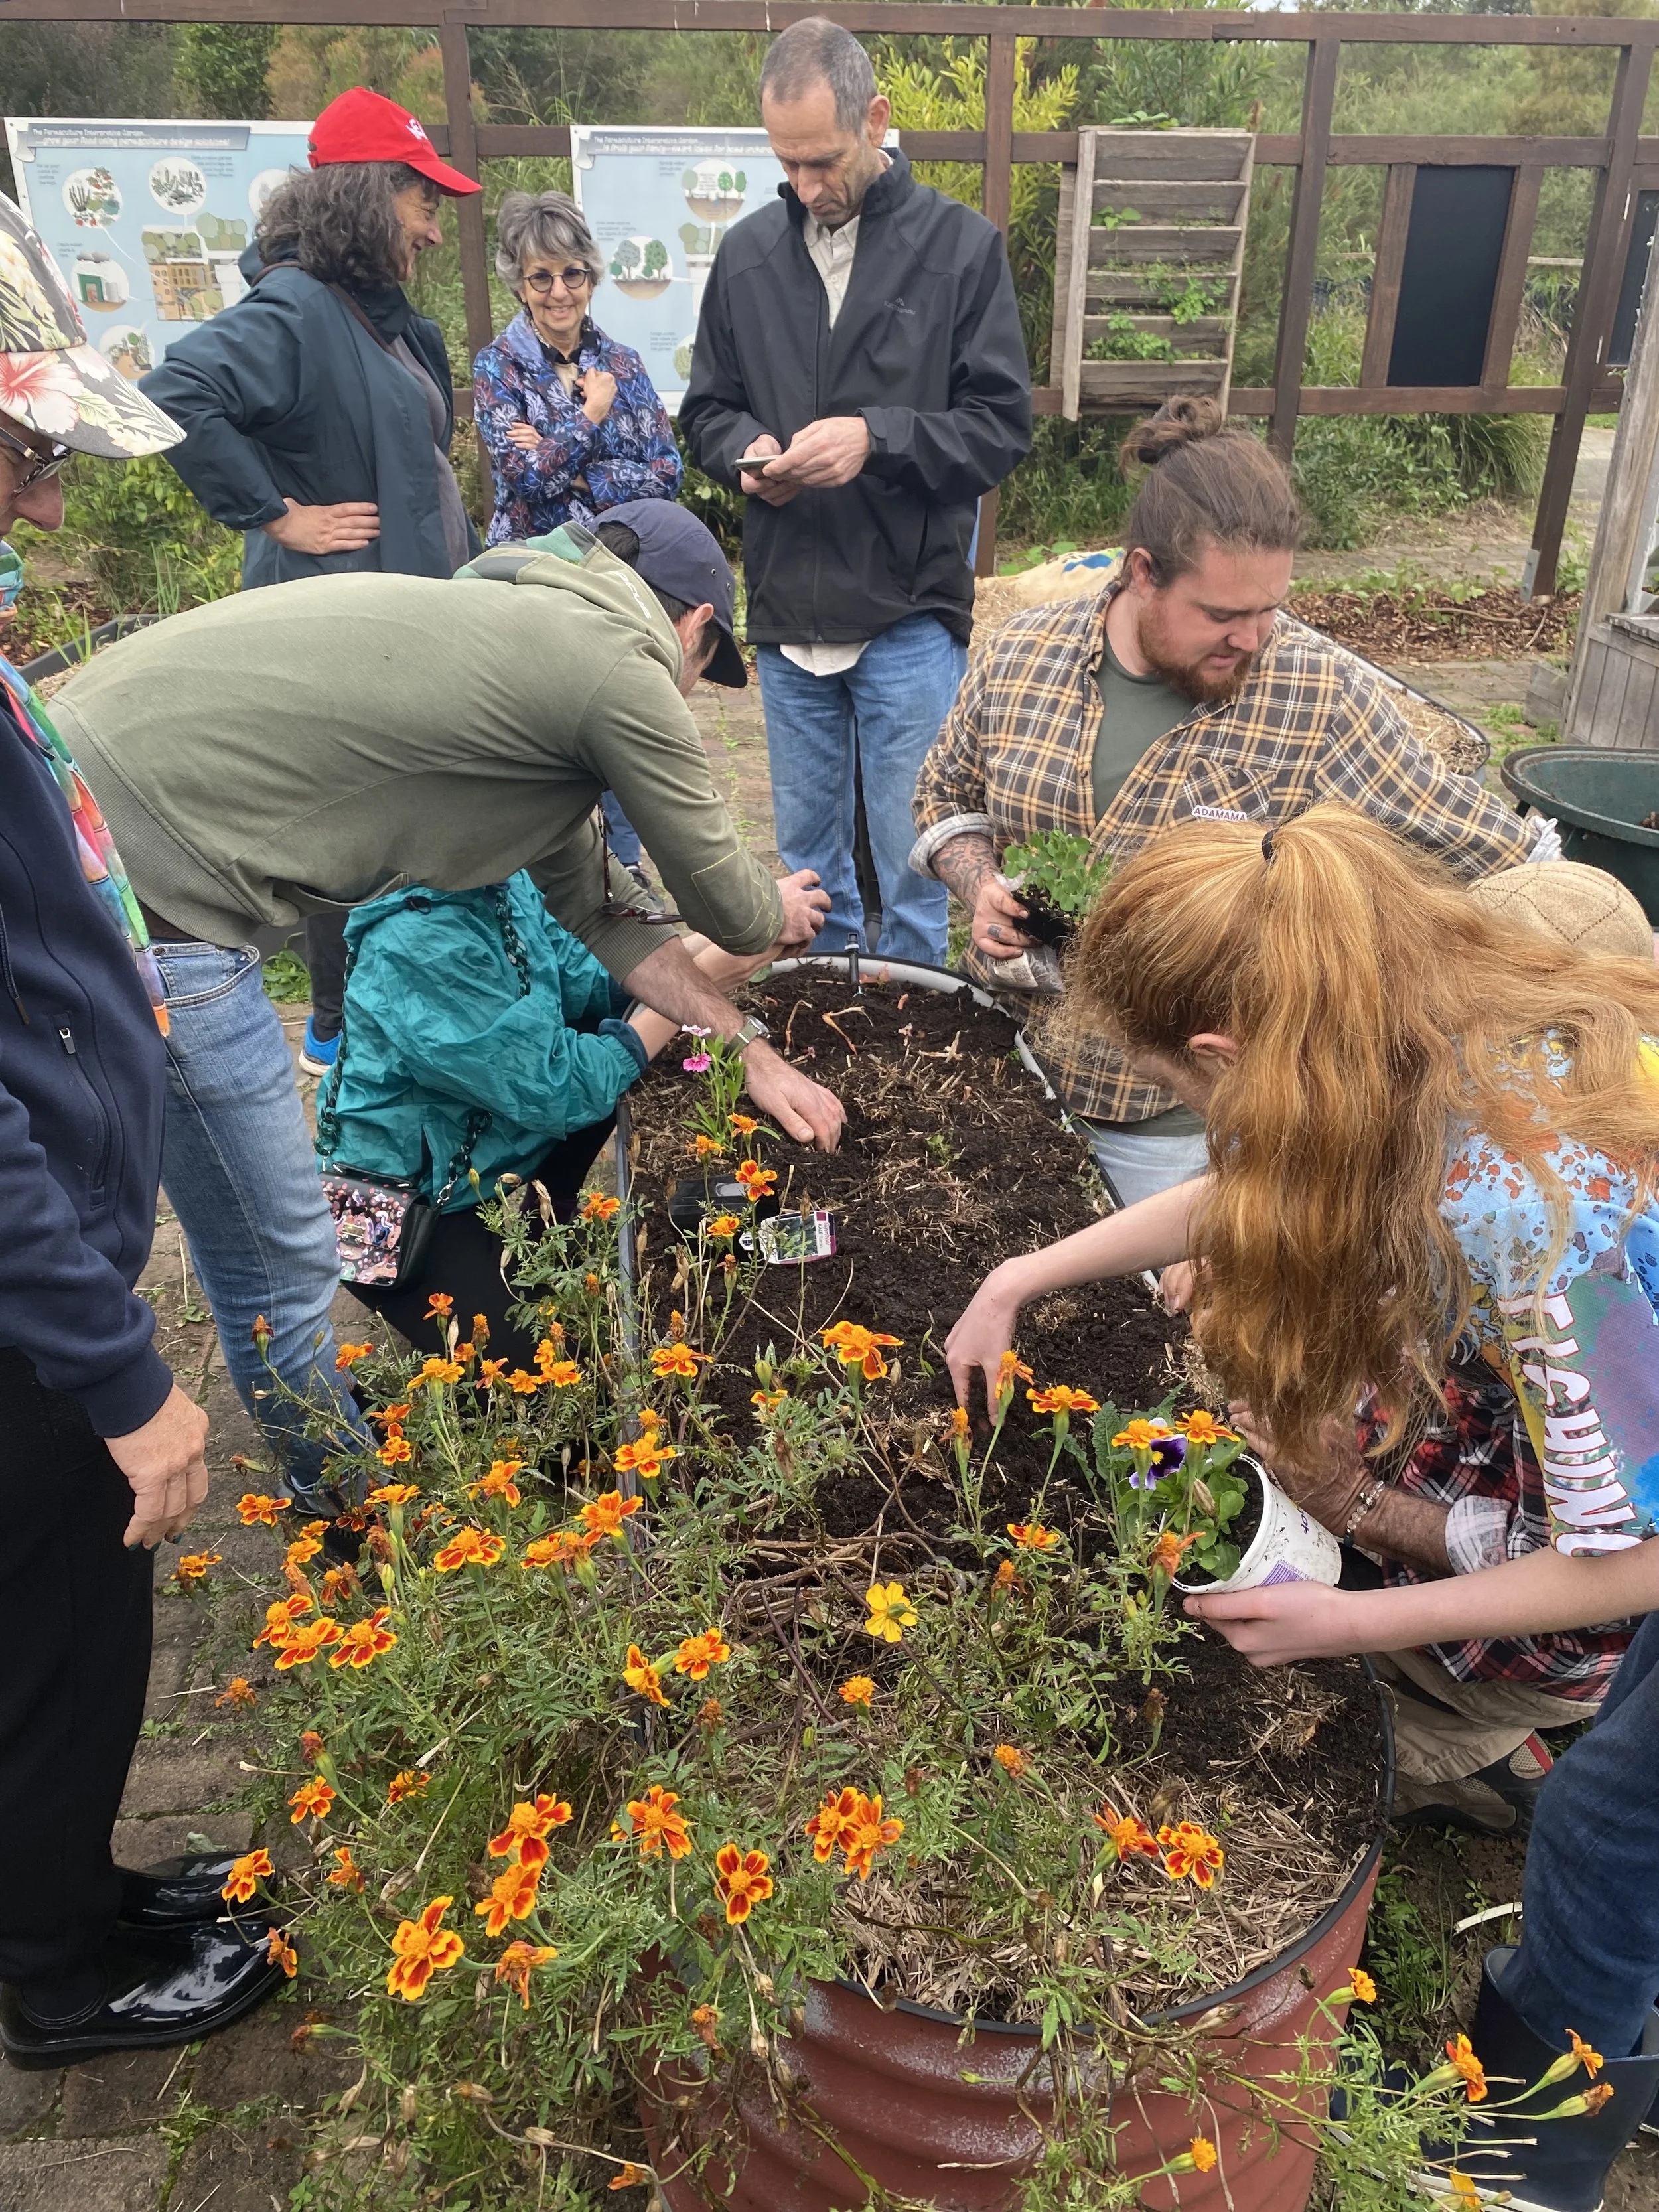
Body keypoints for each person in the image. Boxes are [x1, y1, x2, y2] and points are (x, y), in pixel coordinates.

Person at [944, 801, 1659, 2210]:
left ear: (1220, 1056)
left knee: (1604, 1823)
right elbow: (1264, 1165)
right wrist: (1022, 1272)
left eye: (1188, 1089)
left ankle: (1523, 2169)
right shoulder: (1397, 989)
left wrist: (1333, 1621)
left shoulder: (1533, 1202)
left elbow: (1628, 1559)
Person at [48, 499, 841, 1509]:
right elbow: (730, 914)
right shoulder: (608, 668)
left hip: (100, 822)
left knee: (558, 1348)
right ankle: (346, 1521)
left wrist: (750, 1049)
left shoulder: (517, 685)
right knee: (282, 1278)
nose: (690, 695)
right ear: (692, 626)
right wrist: (749, 923)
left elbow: (604, 923)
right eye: (702, 673)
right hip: (139, 899)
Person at [0, 192, 284, 2070]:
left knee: (70, 1629)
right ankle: (56, 1971)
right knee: (60, 1641)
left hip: (54, 1276)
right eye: (21, 450)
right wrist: (120, 1367)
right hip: (30, 1317)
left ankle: (80, 1890)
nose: (37, 500)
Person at [910, 398, 1551, 1209]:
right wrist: (978, 886)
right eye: (1222, 615)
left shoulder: (1317, 693)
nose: (1252, 639)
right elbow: (945, 793)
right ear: (1142, 574)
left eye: (1268, 609)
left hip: (1176, 1131)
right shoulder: (1024, 652)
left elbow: (1499, 860)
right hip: (1003, 1070)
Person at [141, 86, 485, 1077]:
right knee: (350, 833)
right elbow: (176, 392)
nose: (430, 223)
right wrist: (275, 512)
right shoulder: (295, 308)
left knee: (401, 825)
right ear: (369, 198)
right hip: (339, 633)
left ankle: (394, 1015)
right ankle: (339, 1037)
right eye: (422, 200)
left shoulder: (380, 317)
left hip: (404, 619)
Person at [682, 15, 1031, 969]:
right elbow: (704, 408)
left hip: (909, 613)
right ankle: (824, 1048)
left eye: (824, 160)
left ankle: (914, 1030)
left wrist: (880, 439)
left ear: (875, 120)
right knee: (809, 875)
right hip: (791, 609)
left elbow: (1001, 427)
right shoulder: (748, 256)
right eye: (786, 164)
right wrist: (744, 451)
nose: (805, 186)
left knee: (918, 870)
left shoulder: (961, 251)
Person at [321, 871, 764, 1364]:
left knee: (611, 1027)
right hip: (407, 1204)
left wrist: (709, 953)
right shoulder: (415, 939)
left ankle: (540, 1229)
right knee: (551, 1376)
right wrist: (693, 997)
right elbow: (562, 1088)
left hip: (478, 1147)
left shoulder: (497, 877)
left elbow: (589, 980)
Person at [473, 188, 683, 889]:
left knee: (618, 730)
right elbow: (520, 478)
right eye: (541, 276)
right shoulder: (495, 367)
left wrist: (571, 467)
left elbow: (666, 472)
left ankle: (623, 883)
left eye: (573, 274)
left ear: (591, 276)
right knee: (543, 743)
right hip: (528, 586)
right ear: (519, 281)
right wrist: (591, 420)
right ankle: (547, 891)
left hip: (613, 580)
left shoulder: (622, 364)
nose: (559, 292)